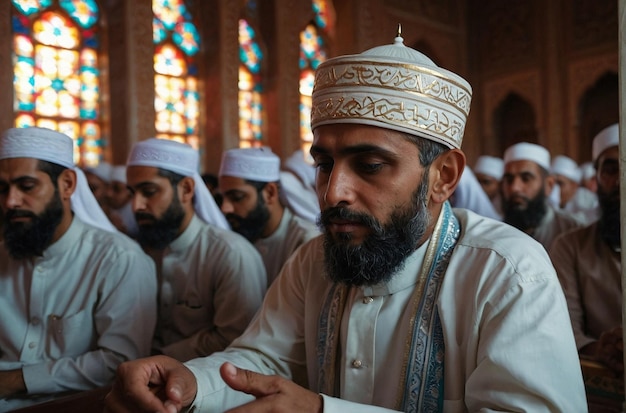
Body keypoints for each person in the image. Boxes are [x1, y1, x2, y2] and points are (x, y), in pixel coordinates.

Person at [104, 33, 586, 413]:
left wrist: (321, 410)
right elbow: (263, 361)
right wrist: (191, 386)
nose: (333, 191)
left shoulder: (509, 273)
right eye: (324, 164)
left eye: (370, 165)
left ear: (442, 177)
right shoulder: (313, 260)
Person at [0, 127, 157, 411]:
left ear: (67, 184)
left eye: (26, 186)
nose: (11, 201)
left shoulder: (118, 259)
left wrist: (15, 380)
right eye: (2, 189)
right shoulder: (3, 255)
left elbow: (119, 363)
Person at [126, 138, 268, 362]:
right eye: (131, 193)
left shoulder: (230, 254)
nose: (136, 205)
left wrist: (160, 358)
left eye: (149, 191)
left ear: (186, 189)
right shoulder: (143, 249)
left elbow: (236, 339)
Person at [549, 123, 621, 374]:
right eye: (611, 170)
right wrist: (602, 349)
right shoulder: (570, 247)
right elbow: (566, 329)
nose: (620, 179)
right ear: (597, 179)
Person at [218, 147, 320, 285]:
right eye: (222, 198)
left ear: (270, 193)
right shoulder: (239, 233)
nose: (225, 208)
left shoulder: (305, 242)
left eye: (237, 197)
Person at [501, 142, 582, 250]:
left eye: (526, 179)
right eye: (509, 180)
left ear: (549, 185)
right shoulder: (495, 232)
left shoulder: (573, 229)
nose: (515, 187)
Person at [551, 155, 598, 224]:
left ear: (574, 186)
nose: (554, 189)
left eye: (560, 183)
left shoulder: (586, 200)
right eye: (551, 183)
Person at [107, 165, 139, 238]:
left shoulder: (139, 215)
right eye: (108, 187)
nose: (108, 193)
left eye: (116, 189)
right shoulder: (106, 209)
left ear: (130, 194)